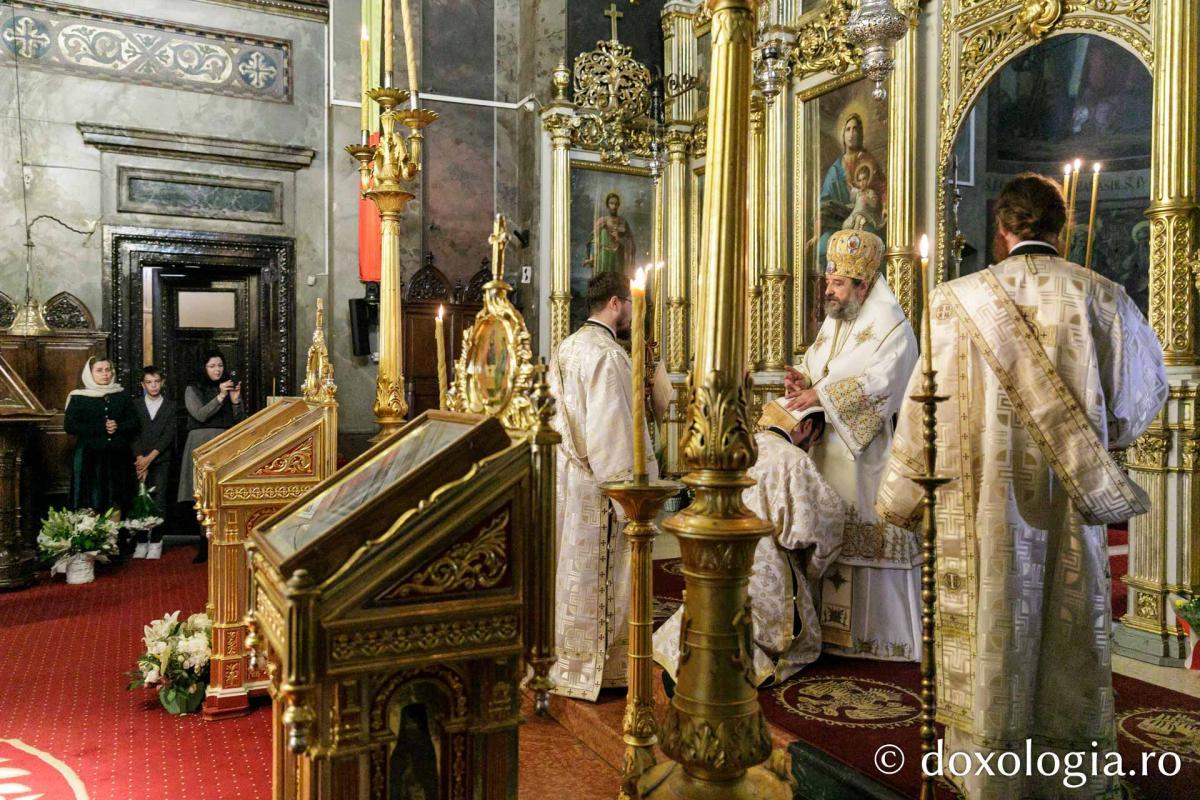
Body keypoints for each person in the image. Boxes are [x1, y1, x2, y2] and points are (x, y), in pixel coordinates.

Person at [877, 173, 1167, 799]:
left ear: (1002, 231)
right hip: (1069, 497)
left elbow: (920, 408)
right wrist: (1098, 437)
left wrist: (903, 492)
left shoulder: (953, 300)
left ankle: (989, 773)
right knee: (1065, 628)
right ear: (1064, 227)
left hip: (979, 502)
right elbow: (1144, 395)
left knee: (992, 619)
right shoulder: (1103, 294)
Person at [781, 229, 920, 661]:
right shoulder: (838, 317)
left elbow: (884, 386)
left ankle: (876, 639)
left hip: (864, 457)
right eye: (828, 280)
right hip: (825, 450)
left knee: (861, 531)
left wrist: (820, 396)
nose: (829, 290)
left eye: (838, 283)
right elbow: (822, 362)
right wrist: (803, 377)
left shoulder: (892, 326)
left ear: (863, 284)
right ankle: (820, 628)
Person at [654, 401, 846, 687]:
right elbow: (820, 526)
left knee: (711, 609)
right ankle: (725, 666)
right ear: (806, 427)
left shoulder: (740, 446)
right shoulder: (793, 460)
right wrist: (815, 568)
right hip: (766, 571)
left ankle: (693, 653)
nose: (813, 448)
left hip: (717, 558)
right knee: (795, 640)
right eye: (815, 440)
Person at [547, 271, 656, 700]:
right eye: (629, 303)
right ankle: (603, 667)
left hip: (571, 477)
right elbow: (612, 434)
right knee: (600, 577)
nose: (631, 311)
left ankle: (568, 661)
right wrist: (632, 498)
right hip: (599, 487)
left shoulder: (567, 347)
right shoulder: (608, 356)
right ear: (615, 303)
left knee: (571, 572)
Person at [178, 351, 245, 563]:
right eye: (212, 366)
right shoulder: (192, 389)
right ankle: (204, 543)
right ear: (203, 368)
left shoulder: (228, 388)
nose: (217, 370)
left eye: (220, 365)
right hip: (201, 444)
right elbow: (200, 414)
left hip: (225, 443)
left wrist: (235, 401)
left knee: (221, 493)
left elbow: (240, 421)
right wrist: (221, 396)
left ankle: (225, 540)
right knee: (202, 494)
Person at [64, 357, 139, 517]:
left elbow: (134, 423)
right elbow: (70, 426)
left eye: (108, 370)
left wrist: (118, 426)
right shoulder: (78, 397)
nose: (105, 374)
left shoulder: (121, 395)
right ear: (90, 374)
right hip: (90, 456)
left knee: (118, 499)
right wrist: (100, 428)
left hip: (118, 456)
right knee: (91, 499)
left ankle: (118, 537)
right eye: (99, 370)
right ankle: (94, 537)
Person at [817, 113, 885, 268]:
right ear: (843, 134)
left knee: (862, 245)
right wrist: (816, 233)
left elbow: (882, 190)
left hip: (866, 218)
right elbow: (824, 202)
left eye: (855, 129)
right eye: (848, 129)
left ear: (860, 133)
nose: (852, 133)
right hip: (837, 223)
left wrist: (884, 206)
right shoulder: (836, 168)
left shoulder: (869, 162)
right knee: (822, 247)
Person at [131, 366, 177, 560]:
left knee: (158, 499)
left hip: (161, 459)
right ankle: (141, 541)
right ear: (143, 384)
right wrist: (140, 459)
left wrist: (149, 459)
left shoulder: (170, 405)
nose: (153, 386)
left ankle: (157, 541)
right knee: (141, 499)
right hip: (138, 460)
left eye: (157, 381)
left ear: (162, 383)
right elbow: (132, 433)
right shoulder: (135, 405)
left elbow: (168, 435)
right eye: (149, 382)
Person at [585, 191, 636, 276]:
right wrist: (591, 258)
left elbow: (631, 241)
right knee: (603, 280)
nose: (614, 206)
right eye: (611, 203)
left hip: (619, 257)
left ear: (619, 205)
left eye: (616, 204)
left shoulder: (623, 222)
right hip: (604, 256)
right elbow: (593, 240)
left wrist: (619, 239)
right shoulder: (602, 221)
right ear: (607, 205)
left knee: (618, 281)